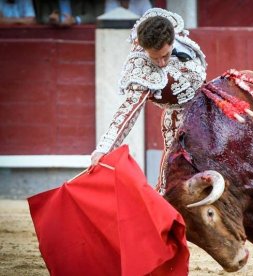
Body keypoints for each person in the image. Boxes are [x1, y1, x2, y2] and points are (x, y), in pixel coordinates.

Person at [91, 8, 207, 194]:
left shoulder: (177, 36)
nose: (161, 63)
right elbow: (128, 110)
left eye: (165, 56)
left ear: (172, 40)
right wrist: (104, 149)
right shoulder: (141, 68)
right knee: (172, 174)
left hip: (208, 105)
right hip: (180, 119)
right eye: (155, 58)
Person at [34, 0, 104, 26]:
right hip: (54, 34)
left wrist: (74, 20)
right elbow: (43, 17)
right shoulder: (48, 1)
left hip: (77, 36)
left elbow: (91, 16)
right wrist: (51, 20)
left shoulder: (81, 1)